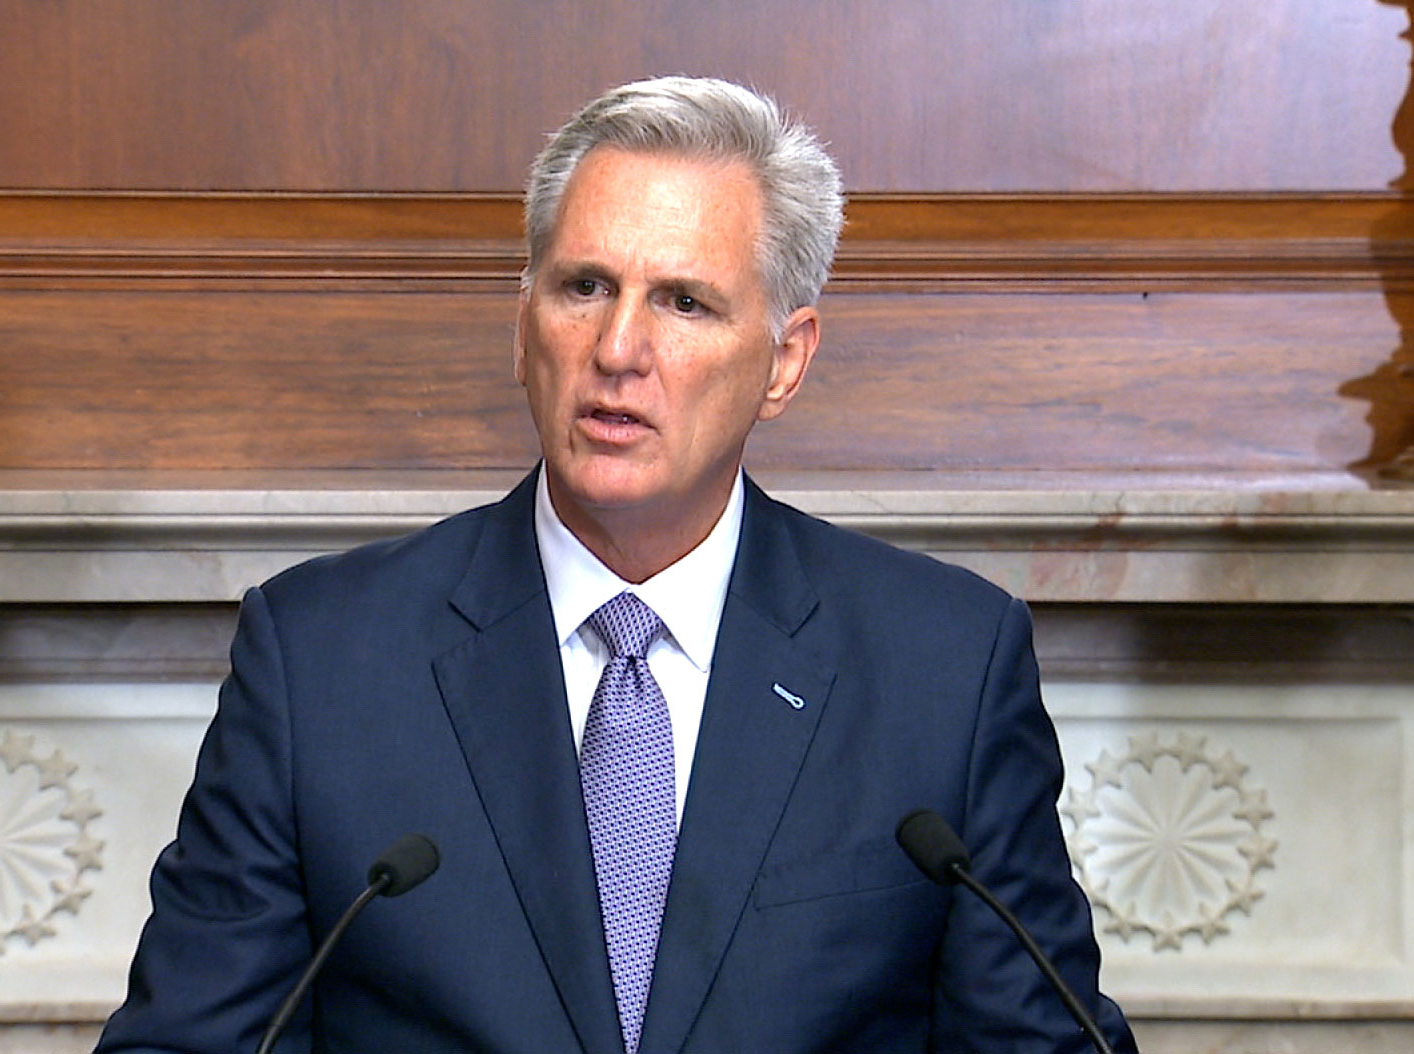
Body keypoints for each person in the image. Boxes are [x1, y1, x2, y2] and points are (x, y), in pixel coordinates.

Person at [97, 76, 1135, 1054]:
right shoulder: (320, 659)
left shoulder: (942, 668)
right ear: (523, 323)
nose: (617, 347)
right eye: (583, 285)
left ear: (783, 360)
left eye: (683, 302)